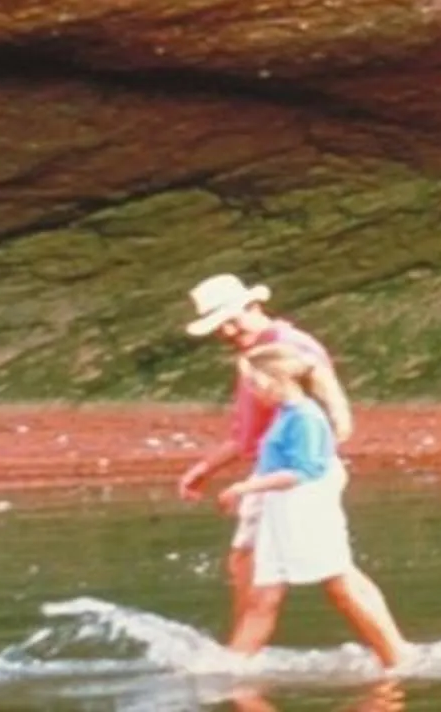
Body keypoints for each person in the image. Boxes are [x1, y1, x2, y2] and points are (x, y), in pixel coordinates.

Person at [174, 274, 400, 646]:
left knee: (332, 577)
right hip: (277, 471)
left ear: (254, 307)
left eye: (233, 319)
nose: (228, 331)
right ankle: (241, 657)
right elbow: (247, 434)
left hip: (293, 477)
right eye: (219, 327)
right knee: (254, 565)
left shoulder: (282, 352)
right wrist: (204, 469)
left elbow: (313, 424)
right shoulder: (260, 356)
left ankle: (394, 659)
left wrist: (248, 483)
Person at [217, 343, 409, 670]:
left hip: (305, 509)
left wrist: (245, 487)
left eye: (254, 382)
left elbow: (303, 472)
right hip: (281, 510)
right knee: (265, 595)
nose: (250, 391)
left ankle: (395, 661)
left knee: (340, 584)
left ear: (275, 380)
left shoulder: (305, 417)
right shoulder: (288, 414)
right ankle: (232, 667)